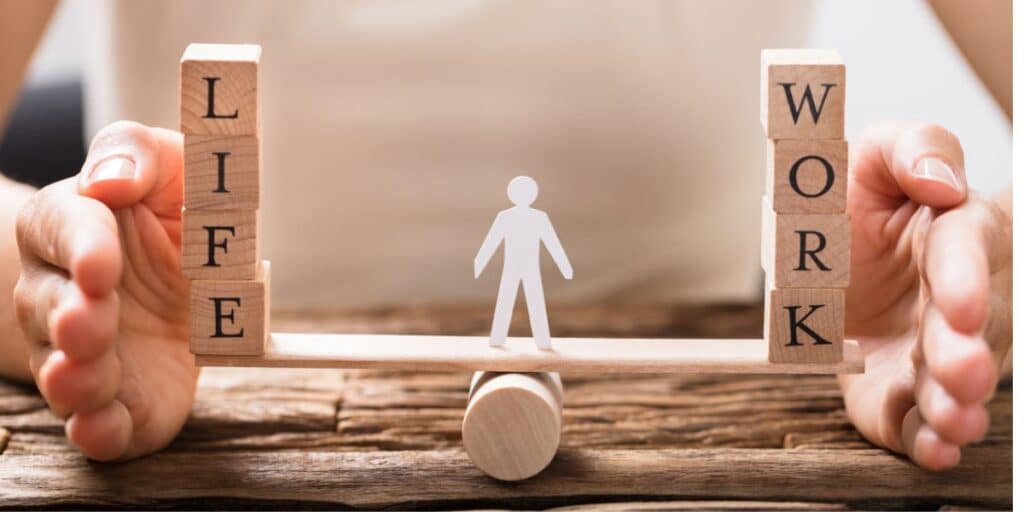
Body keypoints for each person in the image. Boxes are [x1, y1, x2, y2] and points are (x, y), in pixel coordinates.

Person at [0, 1, 1012, 470]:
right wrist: (31, 275)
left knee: (516, 309)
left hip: (716, 403)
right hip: (215, 388)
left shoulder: (524, 226)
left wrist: (975, 266)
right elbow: (513, 256)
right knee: (514, 308)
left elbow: (518, 258)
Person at [474, 176, 573, 349]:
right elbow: (492, 241)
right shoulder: (512, 217)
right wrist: (479, 262)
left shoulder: (534, 217)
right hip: (515, 266)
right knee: (513, 300)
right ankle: (500, 339)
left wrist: (565, 266)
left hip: (527, 267)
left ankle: (538, 341)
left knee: (528, 301)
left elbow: (552, 243)